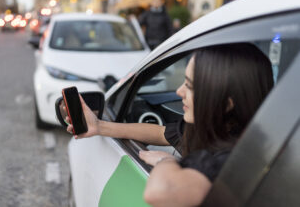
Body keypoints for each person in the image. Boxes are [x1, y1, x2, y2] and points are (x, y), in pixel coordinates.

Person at [64, 43, 274, 207]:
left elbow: (158, 192)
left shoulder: (231, 159)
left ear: (227, 102)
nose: (179, 91)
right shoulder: (229, 129)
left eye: (190, 86)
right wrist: (100, 127)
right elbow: (161, 133)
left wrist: (167, 162)